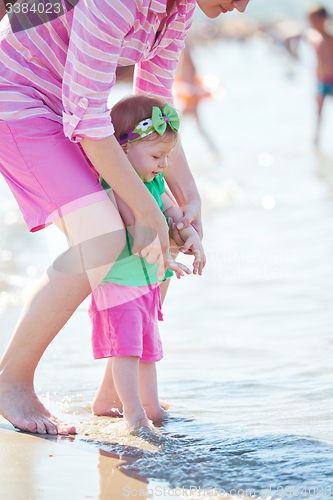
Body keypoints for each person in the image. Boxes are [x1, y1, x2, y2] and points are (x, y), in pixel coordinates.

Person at [0, 0, 250, 436]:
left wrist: (187, 195)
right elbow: (88, 114)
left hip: (69, 106)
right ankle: (11, 380)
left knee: (162, 234)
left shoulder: (180, 7)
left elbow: (155, 104)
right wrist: (148, 209)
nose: (243, 5)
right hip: (19, 97)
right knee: (105, 236)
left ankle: (115, 390)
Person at [89, 95, 205, 431]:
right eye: (157, 156)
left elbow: (173, 216)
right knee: (126, 351)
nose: (163, 165)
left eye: (167, 156)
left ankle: (150, 406)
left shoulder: (153, 182)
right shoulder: (119, 185)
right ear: (124, 150)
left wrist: (192, 238)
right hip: (119, 284)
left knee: (148, 350)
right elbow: (138, 232)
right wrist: (166, 256)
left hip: (145, 286)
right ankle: (132, 412)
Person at [307, 6, 333, 145]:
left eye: (315, 19)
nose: (312, 23)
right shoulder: (312, 37)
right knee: (319, 114)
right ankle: (316, 142)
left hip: (332, 79)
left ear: (324, 19)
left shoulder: (330, 38)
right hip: (320, 80)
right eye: (310, 20)